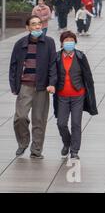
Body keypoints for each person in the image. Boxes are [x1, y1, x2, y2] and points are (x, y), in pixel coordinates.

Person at [9, 16, 57, 159]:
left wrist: (52, 83)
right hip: (25, 86)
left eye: (39, 24)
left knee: (39, 120)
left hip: (42, 87)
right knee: (20, 117)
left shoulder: (49, 42)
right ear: (27, 28)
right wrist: (14, 85)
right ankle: (23, 143)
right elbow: (13, 66)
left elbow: (53, 64)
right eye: (34, 24)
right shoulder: (20, 44)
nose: (37, 27)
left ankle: (36, 150)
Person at [54, 31, 97, 159]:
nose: (69, 42)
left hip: (78, 95)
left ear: (75, 42)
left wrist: (90, 94)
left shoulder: (80, 56)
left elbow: (88, 76)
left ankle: (74, 150)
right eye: (66, 40)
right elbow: (52, 74)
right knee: (61, 123)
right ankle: (67, 143)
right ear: (62, 43)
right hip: (62, 95)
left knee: (76, 123)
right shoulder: (56, 57)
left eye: (71, 40)